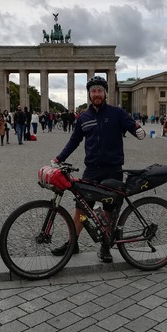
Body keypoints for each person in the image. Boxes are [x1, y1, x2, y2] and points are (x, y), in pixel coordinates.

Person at [51, 76, 146, 263]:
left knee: (109, 209)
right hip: (92, 170)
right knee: (81, 208)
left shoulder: (117, 113)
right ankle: (73, 243)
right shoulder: (83, 117)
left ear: (105, 93)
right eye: (93, 91)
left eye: (99, 91)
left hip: (113, 169)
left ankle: (105, 246)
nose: (96, 94)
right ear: (89, 94)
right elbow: (74, 140)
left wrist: (138, 131)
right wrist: (59, 158)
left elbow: (131, 125)